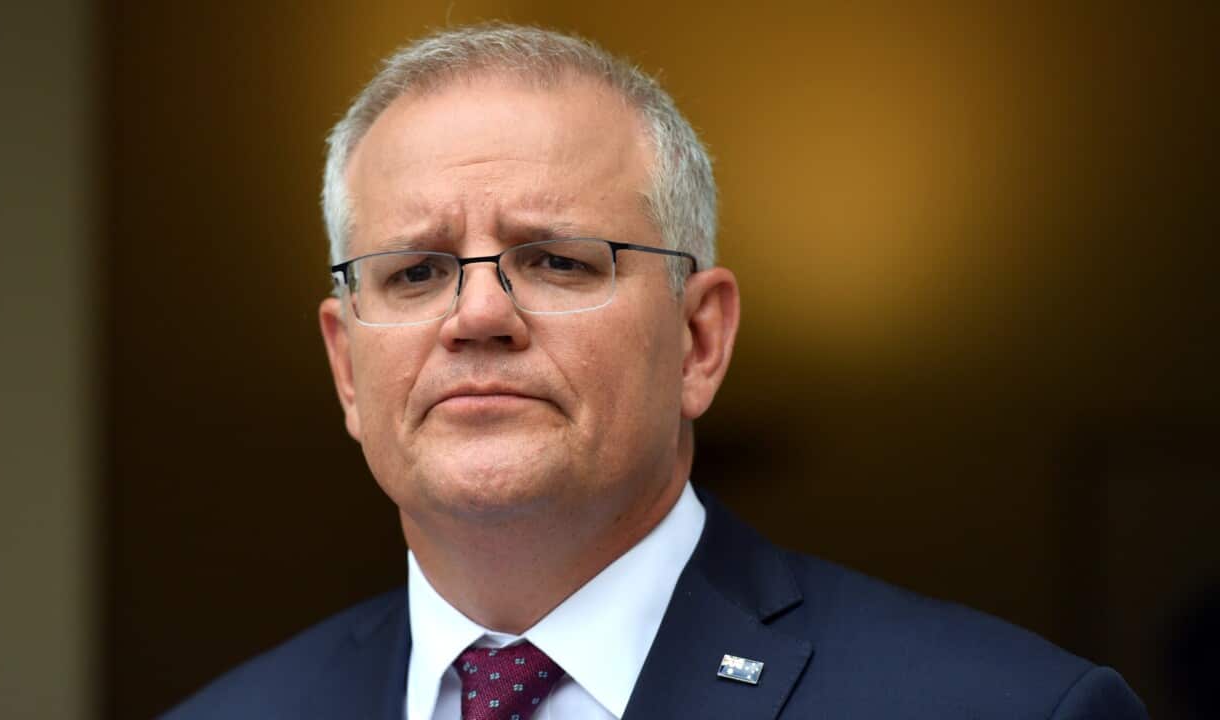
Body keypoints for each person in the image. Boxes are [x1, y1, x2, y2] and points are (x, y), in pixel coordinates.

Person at [165, 23, 1147, 720]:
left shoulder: (1005, 706)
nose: (477, 316)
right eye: (415, 272)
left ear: (699, 340)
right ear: (346, 365)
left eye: (556, 260)